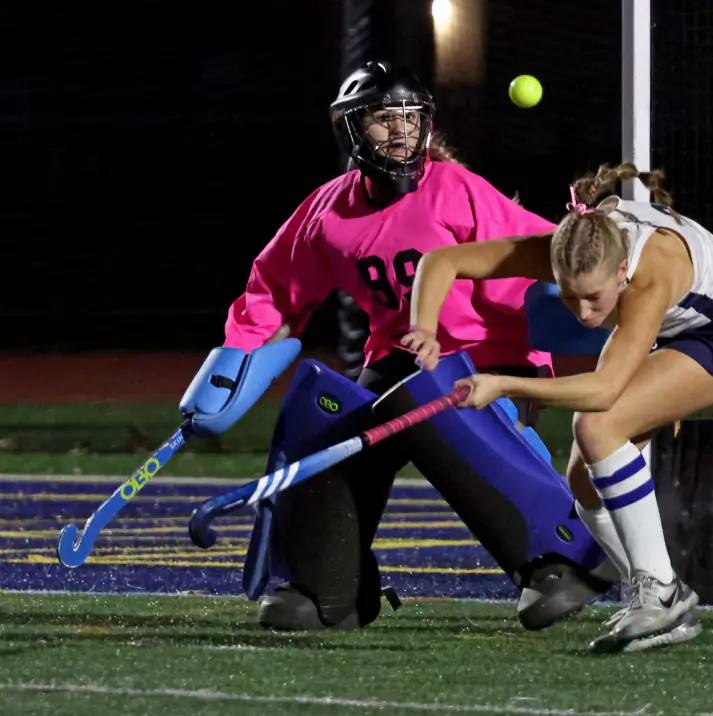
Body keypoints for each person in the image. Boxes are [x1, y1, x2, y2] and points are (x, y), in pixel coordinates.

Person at [221, 61, 619, 632]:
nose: (403, 131)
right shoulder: (326, 213)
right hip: (402, 357)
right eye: (386, 119)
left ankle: (557, 557)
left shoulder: (458, 189)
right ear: (352, 129)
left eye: (412, 118)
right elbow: (273, 292)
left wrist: (553, 345)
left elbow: (545, 259)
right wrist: (233, 362)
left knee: (435, 405)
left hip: (489, 352)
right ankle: (330, 586)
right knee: (330, 425)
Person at [403, 161, 713, 653]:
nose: (583, 312)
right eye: (570, 296)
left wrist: (504, 383)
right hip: (671, 330)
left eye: (594, 298)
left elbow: (602, 392)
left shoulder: (649, 273)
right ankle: (653, 596)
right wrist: (425, 327)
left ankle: (662, 594)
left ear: (622, 270)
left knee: (598, 425)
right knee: (583, 479)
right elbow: (442, 261)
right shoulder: (569, 249)